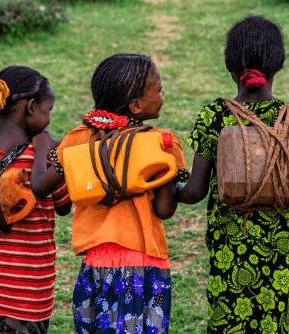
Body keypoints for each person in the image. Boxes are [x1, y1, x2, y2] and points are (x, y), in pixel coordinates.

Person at [177, 15, 289, 333]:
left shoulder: (215, 116)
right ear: (278, 65)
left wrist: (169, 183)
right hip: (282, 244)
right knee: (273, 322)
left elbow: (194, 192)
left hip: (231, 242)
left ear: (230, 67)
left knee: (228, 320)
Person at [30, 54, 189, 334]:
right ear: (137, 106)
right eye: (159, 88)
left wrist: (42, 144)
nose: (164, 93)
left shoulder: (78, 139)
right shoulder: (159, 143)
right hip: (144, 267)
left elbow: (41, 186)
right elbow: (164, 210)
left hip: (95, 268)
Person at [0, 66, 72, 334]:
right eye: (49, 110)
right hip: (29, 293)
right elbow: (64, 206)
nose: (49, 119)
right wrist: (45, 152)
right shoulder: (49, 157)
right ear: (31, 107)